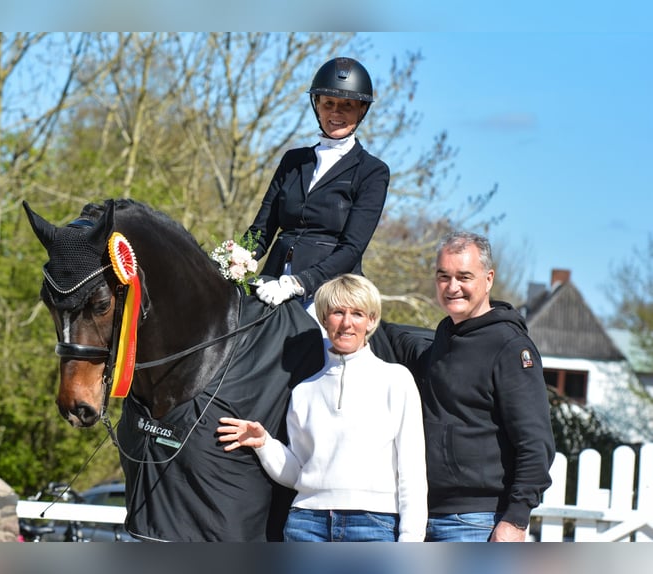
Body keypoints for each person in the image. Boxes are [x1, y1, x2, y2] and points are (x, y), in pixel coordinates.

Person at [217, 274, 427, 542]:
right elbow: (298, 474)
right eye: (337, 312)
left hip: (374, 524)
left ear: (371, 321)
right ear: (324, 319)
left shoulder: (396, 380)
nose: (347, 323)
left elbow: (412, 473)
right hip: (306, 524)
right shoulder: (304, 390)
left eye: (358, 314)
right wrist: (264, 445)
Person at [384, 231, 555, 542]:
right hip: (424, 516)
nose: (452, 287)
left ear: (488, 279)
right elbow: (399, 339)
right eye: (443, 276)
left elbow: (536, 443)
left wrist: (515, 520)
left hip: (478, 523)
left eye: (464, 276)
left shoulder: (510, 348)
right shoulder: (443, 339)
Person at [247, 57, 390, 308]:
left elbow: (352, 248)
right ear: (317, 106)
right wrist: (231, 261)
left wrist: (298, 282)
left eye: (347, 105)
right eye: (329, 104)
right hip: (271, 281)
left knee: (320, 344)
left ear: (362, 110)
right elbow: (261, 231)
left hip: (328, 291)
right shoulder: (293, 160)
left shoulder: (372, 172)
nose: (336, 112)